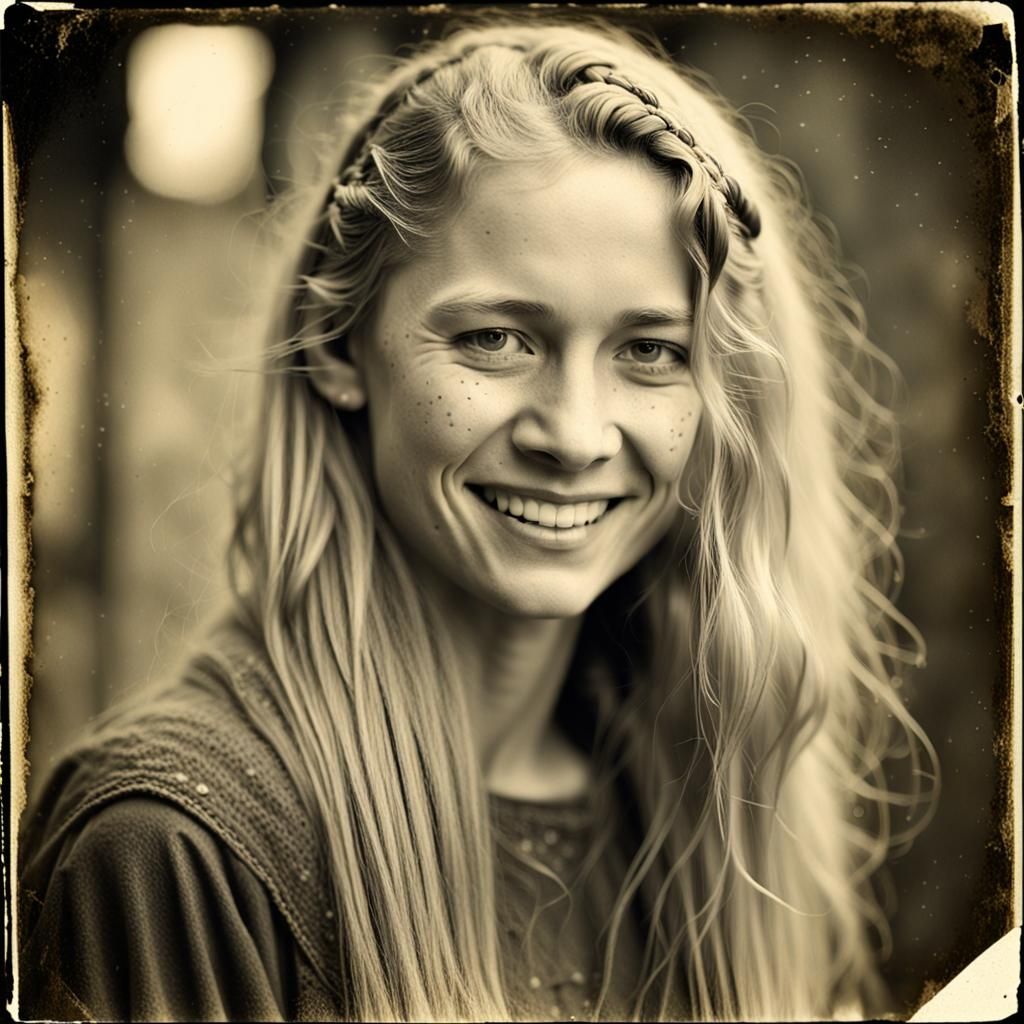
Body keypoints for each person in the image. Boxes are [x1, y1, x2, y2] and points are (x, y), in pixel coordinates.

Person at [17, 15, 937, 1022]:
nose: (576, 434)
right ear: (338, 343)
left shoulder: (703, 807)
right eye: (497, 338)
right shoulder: (175, 849)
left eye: (650, 351)